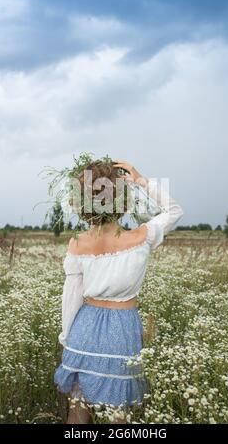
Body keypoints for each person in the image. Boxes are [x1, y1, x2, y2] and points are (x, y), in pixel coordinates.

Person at [53, 159, 184, 424]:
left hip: (83, 329)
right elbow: (173, 211)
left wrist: (67, 338)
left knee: (78, 408)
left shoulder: (77, 244)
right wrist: (139, 179)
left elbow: (72, 297)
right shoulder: (142, 237)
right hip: (122, 330)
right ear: (124, 203)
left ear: (83, 204)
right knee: (118, 415)